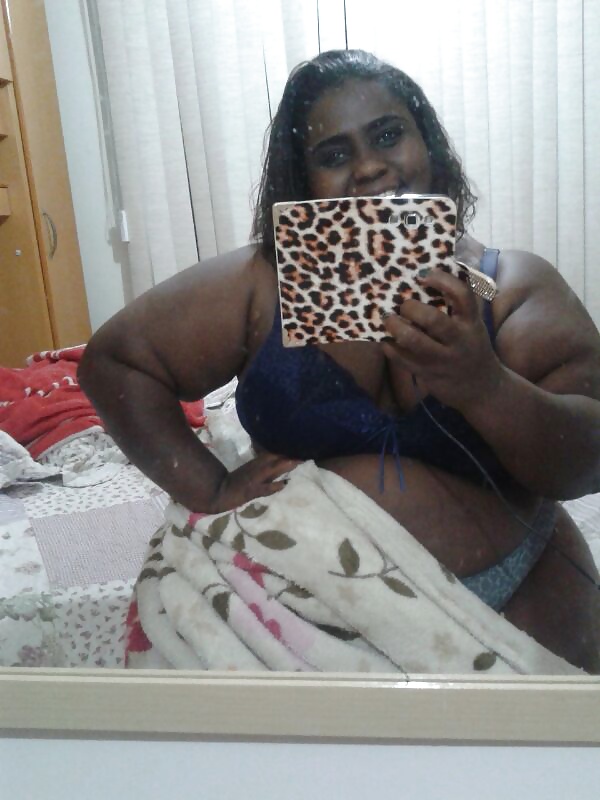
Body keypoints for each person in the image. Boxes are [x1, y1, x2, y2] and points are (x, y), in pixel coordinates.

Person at [79, 49, 600, 672]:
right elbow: (115, 363)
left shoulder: (510, 286)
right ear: (304, 180)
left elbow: (589, 458)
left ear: (428, 144)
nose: (370, 166)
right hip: (303, 609)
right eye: (333, 155)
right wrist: (209, 486)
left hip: (519, 582)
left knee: (545, 732)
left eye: (388, 135)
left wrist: (485, 386)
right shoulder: (259, 285)